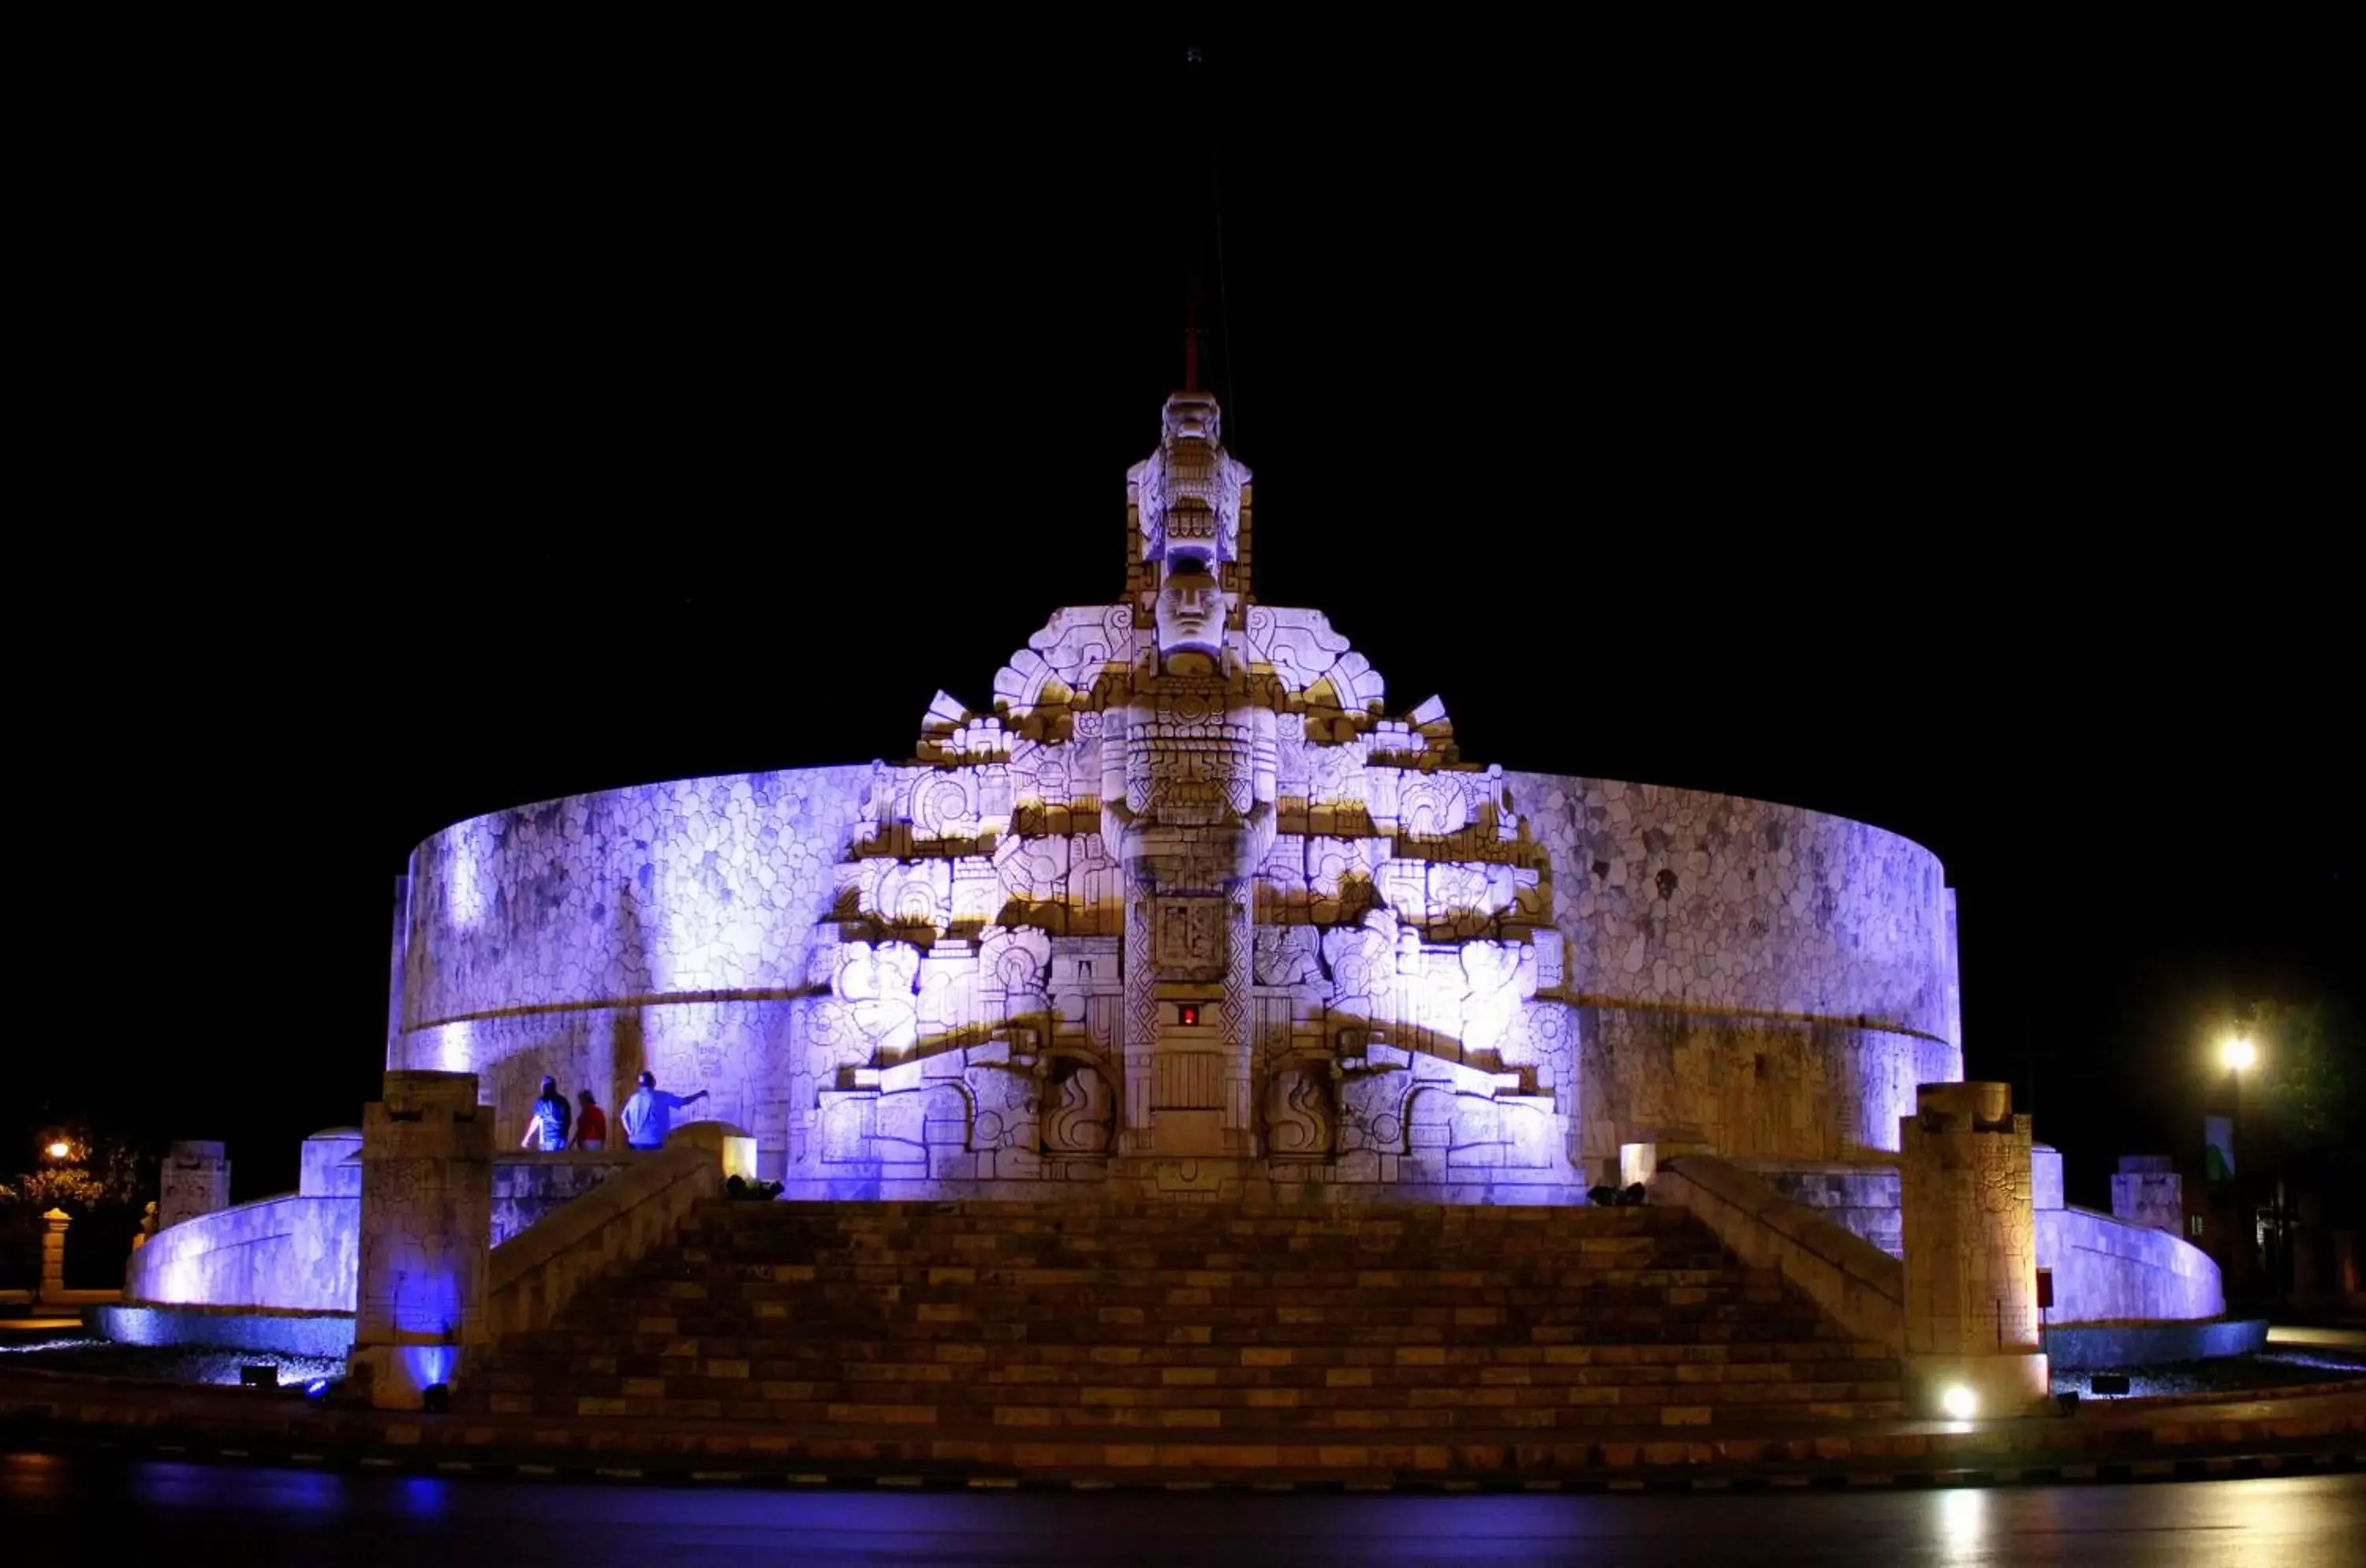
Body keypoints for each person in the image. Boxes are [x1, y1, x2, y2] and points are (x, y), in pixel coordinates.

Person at [619, 1070, 707, 1151]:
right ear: (653, 1082)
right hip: (654, 1142)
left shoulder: (634, 1098)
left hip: (634, 1143)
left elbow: (623, 1117)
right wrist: (700, 1094)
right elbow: (684, 1102)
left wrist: (630, 1132)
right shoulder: (662, 1096)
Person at [521, 1076, 571, 1152]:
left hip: (547, 1139)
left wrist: (526, 1138)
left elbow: (536, 1120)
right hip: (561, 1140)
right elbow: (568, 1120)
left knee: (547, 1162)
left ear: (543, 1087)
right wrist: (565, 1134)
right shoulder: (563, 1101)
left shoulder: (542, 1102)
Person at [573, 1088, 607, 1152]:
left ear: (585, 1100)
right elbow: (603, 1129)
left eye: (581, 1100)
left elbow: (582, 1128)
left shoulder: (586, 1111)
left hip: (587, 1142)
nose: (580, 1103)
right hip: (598, 1141)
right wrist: (603, 1141)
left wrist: (577, 1141)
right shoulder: (598, 1111)